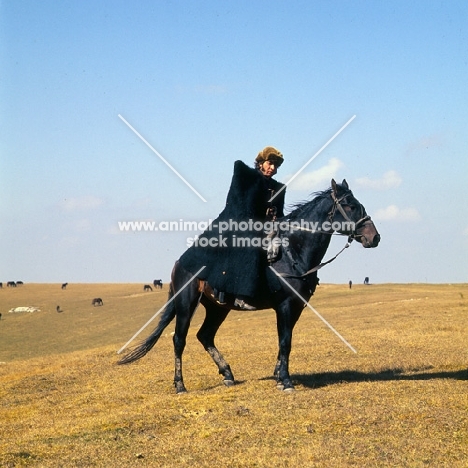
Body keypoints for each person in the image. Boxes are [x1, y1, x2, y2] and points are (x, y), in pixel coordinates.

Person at [178, 146, 286, 310]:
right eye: (270, 163)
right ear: (261, 163)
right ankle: (228, 291)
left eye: (276, 166)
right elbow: (236, 204)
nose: (273, 168)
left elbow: (280, 214)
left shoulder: (278, 188)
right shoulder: (246, 178)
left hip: (265, 229)